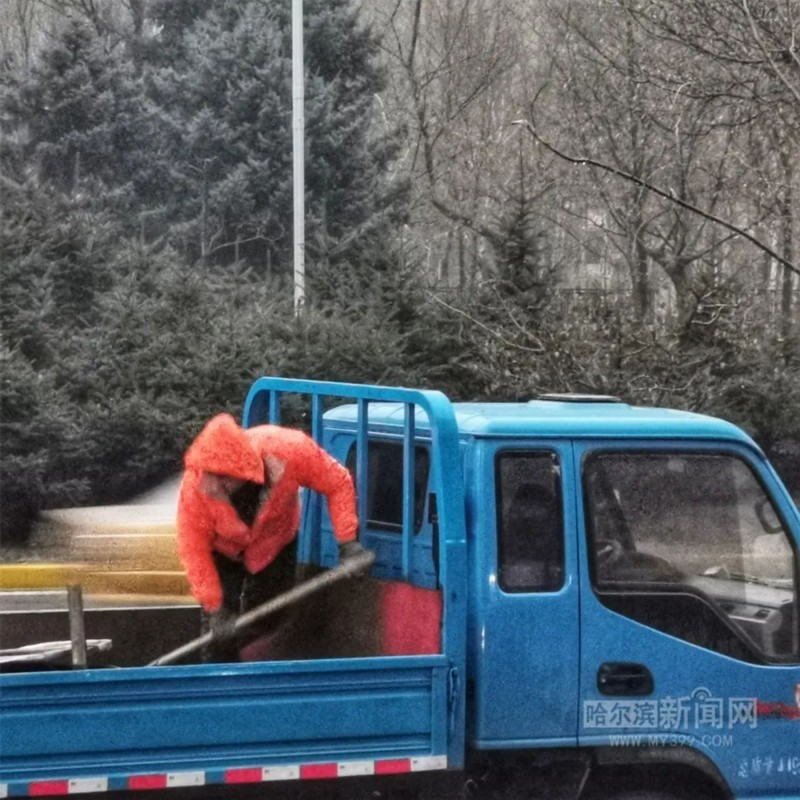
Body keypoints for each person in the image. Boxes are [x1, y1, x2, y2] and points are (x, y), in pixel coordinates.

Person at [176, 413, 364, 659]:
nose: (209, 486)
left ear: (244, 471)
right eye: (206, 474)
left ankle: (259, 683)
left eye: (220, 477)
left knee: (268, 624)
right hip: (221, 553)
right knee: (219, 638)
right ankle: (219, 689)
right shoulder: (195, 488)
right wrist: (216, 610)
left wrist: (347, 543)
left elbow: (337, 481)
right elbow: (194, 551)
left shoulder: (288, 449)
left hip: (275, 546)